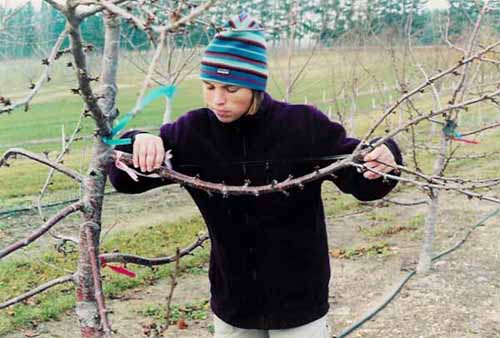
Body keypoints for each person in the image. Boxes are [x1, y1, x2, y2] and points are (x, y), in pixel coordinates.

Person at [108, 12, 402, 338]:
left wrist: (386, 155)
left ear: (255, 85)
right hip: (233, 301)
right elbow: (125, 180)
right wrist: (138, 141)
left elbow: (363, 182)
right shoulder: (192, 133)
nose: (217, 99)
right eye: (209, 86)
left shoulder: (301, 126)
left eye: (231, 88)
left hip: (299, 302)